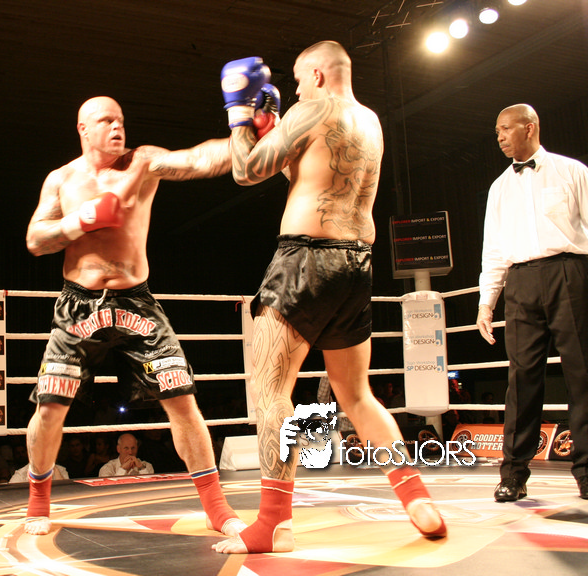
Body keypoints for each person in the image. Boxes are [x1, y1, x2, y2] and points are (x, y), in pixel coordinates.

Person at [212, 42, 446, 554]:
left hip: (304, 259)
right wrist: (274, 130)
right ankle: (417, 499)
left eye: (298, 80)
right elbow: (310, 174)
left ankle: (273, 523)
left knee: (271, 392)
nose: (295, 90)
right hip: (356, 264)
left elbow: (246, 171)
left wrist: (239, 116)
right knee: (356, 395)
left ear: (317, 74)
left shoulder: (312, 109)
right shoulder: (371, 121)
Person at [22, 95, 243, 538]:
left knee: (182, 400)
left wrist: (245, 133)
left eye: (120, 120)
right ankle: (38, 502)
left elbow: (197, 159)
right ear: (83, 128)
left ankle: (217, 508)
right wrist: (80, 221)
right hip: (78, 304)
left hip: (135, 302)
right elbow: (35, 240)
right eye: (106, 121)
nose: (117, 127)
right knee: (50, 406)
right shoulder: (62, 179)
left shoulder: (142, 162)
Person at [476, 103, 588, 502]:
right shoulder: (499, 188)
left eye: (506, 128)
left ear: (530, 127)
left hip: (570, 273)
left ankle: (587, 472)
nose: (500, 137)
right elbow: (493, 249)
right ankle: (513, 474)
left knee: (582, 374)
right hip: (520, 280)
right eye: (497, 131)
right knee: (521, 379)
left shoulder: (572, 171)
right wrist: (486, 302)